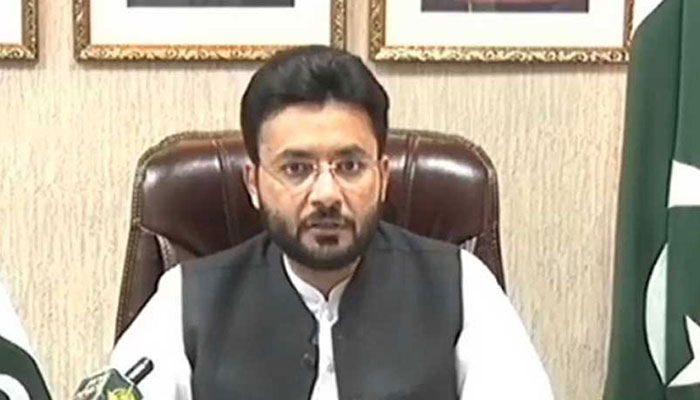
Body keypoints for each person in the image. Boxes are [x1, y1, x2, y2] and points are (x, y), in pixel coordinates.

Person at [110, 45, 554, 400]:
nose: (326, 194)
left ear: (383, 177)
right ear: (253, 183)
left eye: (349, 166)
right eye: (296, 169)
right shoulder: (185, 299)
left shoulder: (461, 286)